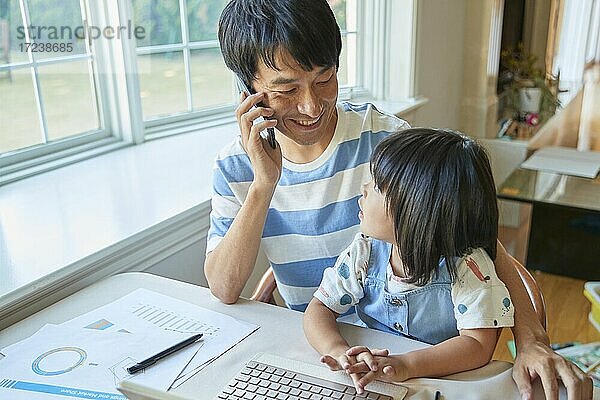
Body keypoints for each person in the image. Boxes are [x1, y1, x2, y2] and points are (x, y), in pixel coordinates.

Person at [204, 0, 593, 398]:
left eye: (325, 80)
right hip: (321, 356)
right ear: (247, 90)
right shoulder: (236, 166)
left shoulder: (387, 144)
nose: (311, 105)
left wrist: (532, 339)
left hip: (415, 358)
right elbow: (224, 288)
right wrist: (263, 185)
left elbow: (478, 247)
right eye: (286, 90)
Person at [303, 128, 514, 393]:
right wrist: (338, 350)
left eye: (377, 186)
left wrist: (406, 365)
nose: (364, 188)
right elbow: (319, 310)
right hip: (370, 380)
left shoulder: (468, 267)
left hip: (439, 382)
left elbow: (478, 344)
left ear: (417, 210)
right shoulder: (364, 252)